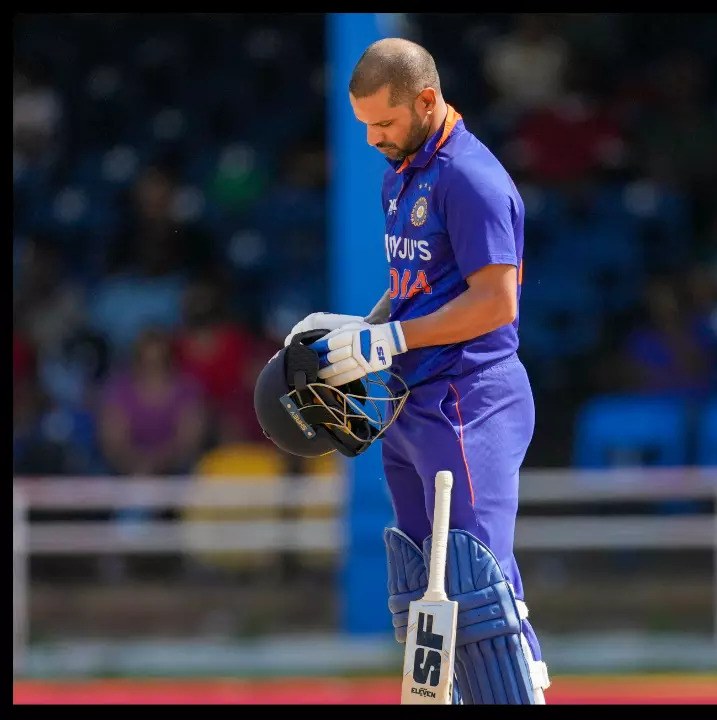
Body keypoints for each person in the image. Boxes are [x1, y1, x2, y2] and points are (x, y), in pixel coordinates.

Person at [283, 38, 549, 704]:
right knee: (419, 591)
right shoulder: (400, 170)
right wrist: (359, 332)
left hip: (470, 396)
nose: (372, 138)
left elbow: (496, 301)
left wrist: (388, 340)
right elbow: (418, 289)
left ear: (425, 101)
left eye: (384, 122)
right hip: (412, 398)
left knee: (476, 582)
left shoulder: (471, 177)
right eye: (364, 124)